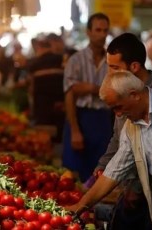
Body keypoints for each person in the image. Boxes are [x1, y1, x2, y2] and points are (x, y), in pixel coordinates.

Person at [67, 70, 152, 230]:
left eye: (118, 107)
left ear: (134, 95)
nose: (118, 114)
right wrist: (81, 205)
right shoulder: (130, 128)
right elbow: (113, 172)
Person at [93, 32, 152, 230]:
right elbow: (118, 138)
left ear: (134, 66)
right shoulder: (120, 90)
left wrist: (135, 187)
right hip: (128, 188)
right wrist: (102, 167)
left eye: (115, 68)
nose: (110, 74)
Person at [63, 12, 112, 182]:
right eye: (98, 30)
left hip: (104, 119)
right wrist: (75, 130)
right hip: (80, 117)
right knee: (75, 173)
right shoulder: (76, 60)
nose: (102, 35)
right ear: (89, 32)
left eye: (105, 30)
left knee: (100, 171)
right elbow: (70, 93)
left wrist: (88, 88)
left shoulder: (111, 62)